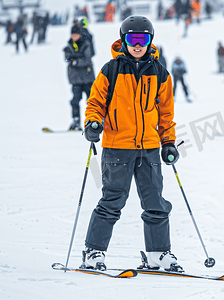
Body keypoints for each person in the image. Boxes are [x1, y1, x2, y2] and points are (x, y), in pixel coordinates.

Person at [81, 15, 182, 272]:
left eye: (143, 39)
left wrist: (168, 142)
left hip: (148, 149)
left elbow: (166, 114)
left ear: (150, 41)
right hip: (117, 147)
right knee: (112, 201)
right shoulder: (111, 70)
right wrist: (93, 123)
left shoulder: (160, 73)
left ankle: (157, 254)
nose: (137, 45)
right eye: (132, 39)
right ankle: (94, 252)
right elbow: (95, 103)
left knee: (155, 202)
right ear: (123, 40)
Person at [63, 25, 95, 131]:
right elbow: (67, 58)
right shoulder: (68, 46)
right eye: (73, 35)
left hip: (88, 78)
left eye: (76, 34)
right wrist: (78, 58)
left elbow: (87, 59)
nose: (74, 36)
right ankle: (76, 121)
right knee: (75, 100)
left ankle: (94, 121)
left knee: (92, 101)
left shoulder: (86, 44)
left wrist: (75, 61)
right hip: (75, 79)